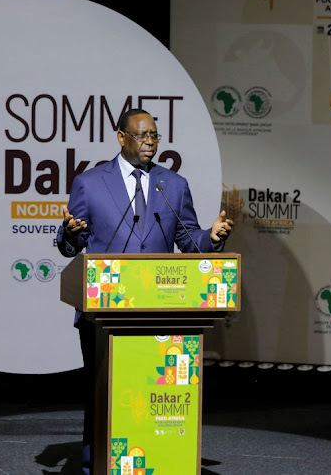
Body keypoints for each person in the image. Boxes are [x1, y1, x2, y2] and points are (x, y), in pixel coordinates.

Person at [56, 108, 233, 474]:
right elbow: (73, 239)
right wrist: (71, 234)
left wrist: (211, 238)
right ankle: (97, 463)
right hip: (102, 310)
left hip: (162, 309)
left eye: (154, 135)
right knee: (102, 392)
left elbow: (188, 238)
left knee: (154, 394)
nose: (150, 141)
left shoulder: (173, 184)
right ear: (121, 138)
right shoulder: (90, 183)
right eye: (142, 135)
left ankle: (160, 459)